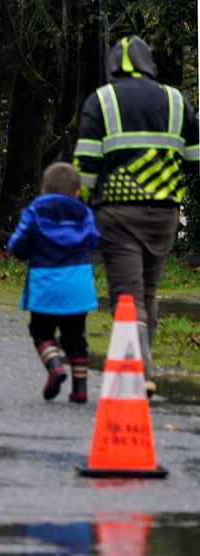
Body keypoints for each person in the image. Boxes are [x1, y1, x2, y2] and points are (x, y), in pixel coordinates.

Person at [75, 36, 200, 397]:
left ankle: (141, 371)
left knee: (128, 296)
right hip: (164, 215)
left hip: (117, 214)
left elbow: (86, 166)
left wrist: (84, 206)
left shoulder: (101, 100)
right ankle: (144, 363)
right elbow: (194, 160)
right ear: (150, 65)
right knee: (148, 291)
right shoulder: (176, 100)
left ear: (113, 67)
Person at [7, 162, 99, 402]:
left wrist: (24, 251)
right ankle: (80, 389)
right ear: (77, 192)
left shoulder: (35, 211)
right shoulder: (84, 212)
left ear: (43, 190)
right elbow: (93, 240)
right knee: (76, 337)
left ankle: (55, 366)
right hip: (77, 287)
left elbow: (17, 243)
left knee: (40, 331)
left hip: (45, 285)